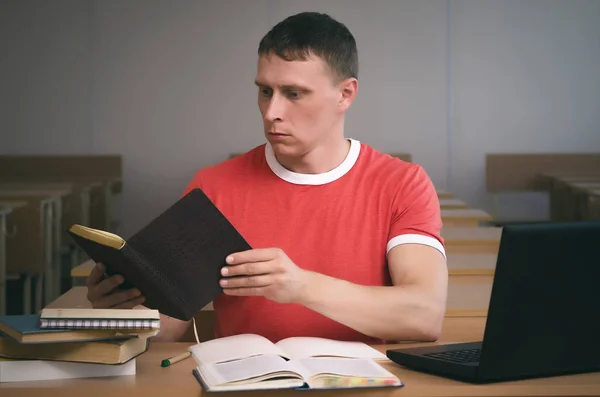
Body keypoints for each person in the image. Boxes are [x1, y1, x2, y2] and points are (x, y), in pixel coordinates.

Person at [85, 12, 448, 344]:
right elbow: (171, 325)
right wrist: (119, 312)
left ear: (345, 94)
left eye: (294, 94)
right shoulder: (213, 186)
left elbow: (424, 316)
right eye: (264, 91)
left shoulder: (403, 184)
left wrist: (301, 286)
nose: (272, 112)